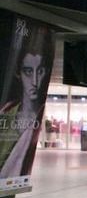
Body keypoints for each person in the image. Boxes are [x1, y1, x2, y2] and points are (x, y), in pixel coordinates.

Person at [0, 23, 52, 179]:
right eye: (28, 71)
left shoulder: (36, 118)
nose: (35, 81)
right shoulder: (5, 114)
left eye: (41, 71)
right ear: (18, 72)